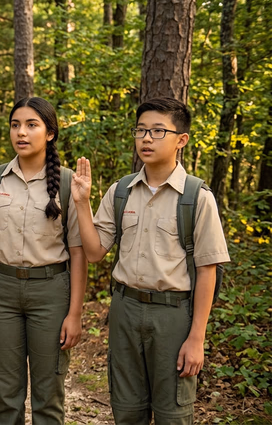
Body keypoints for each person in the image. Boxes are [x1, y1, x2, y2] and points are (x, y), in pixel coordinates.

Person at [72, 97, 230, 424]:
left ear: (181, 140)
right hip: (125, 310)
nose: (146, 138)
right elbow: (94, 252)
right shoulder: (121, 191)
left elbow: (207, 271)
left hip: (173, 314)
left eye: (158, 131)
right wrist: (83, 202)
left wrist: (196, 338)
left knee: (173, 412)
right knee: (127, 409)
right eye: (141, 130)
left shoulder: (196, 197)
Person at [0, 97, 87, 425]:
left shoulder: (69, 182)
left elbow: (79, 252)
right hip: (0, 291)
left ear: (50, 134)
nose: (22, 132)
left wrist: (74, 313)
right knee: (6, 393)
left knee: (48, 395)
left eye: (32, 125)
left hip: (51, 293)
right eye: (16, 125)